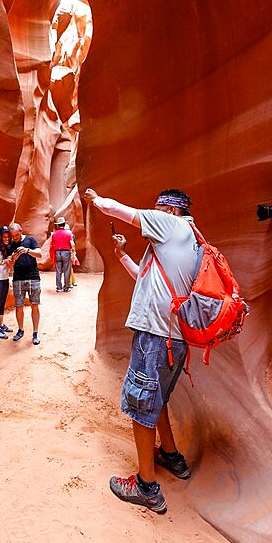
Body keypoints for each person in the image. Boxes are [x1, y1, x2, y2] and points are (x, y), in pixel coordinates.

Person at [83, 187, 200, 514]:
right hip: (173, 338)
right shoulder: (187, 239)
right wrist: (121, 254)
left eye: (158, 208)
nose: (154, 213)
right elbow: (146, 280)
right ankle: (171, 456)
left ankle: (147, 487)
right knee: (157, 397)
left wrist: (96, 200)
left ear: (171, 211)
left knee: (141, 402)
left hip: (155, 336)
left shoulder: (172, 225)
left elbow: (119, 210)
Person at [7, 222, 43, 345]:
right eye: (13, 236)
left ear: (21, 231)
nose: (15, 238)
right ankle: (21, 330)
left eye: (16, 235)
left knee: (34, 305)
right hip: (18, 278)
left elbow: (39, 254)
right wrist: (13, 259)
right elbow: (9, 264)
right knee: (19, 306)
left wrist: (27, 250)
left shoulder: (31, 240)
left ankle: (35, 332)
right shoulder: (11, 245)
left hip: (33, 277)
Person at [50, 216, 76, 292]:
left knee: (58, 270)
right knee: (67, 270)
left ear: (58, 225)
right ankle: (66, 287)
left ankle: (59, 287)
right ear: (64, 224)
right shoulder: (68, 234)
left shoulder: (54, 234)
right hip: (66, 252)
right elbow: (72, 244)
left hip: (57, 252)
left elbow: (53, 244)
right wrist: (73, 251)